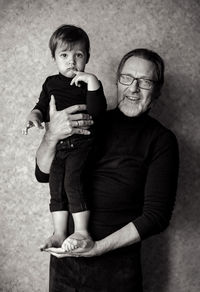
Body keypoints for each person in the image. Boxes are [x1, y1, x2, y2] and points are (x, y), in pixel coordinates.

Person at [35, 48, 179, 291]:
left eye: (145, 81)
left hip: (117, 269)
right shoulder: (89, 119)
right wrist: (52, 136)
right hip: (65, 264)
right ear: (116, 81)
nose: (133, 88)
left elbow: (157, 217)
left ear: (157, 90)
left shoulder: (161, 140)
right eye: (127, 78)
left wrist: (97, 249)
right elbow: (43, 173)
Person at [23, 24, 107, 251]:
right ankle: (59, 233)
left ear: (87, 58)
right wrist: (34, 115)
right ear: (54, 58)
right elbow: (40, 106)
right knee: (56, 185)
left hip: (83, 143)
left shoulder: (88, 81)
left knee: (73, 181)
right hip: (60, 145)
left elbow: (98, 112)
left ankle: (81, 231)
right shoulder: (50, 83)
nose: (72, 61)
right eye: (64, 55)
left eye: (78, 55)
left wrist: (92, 82)